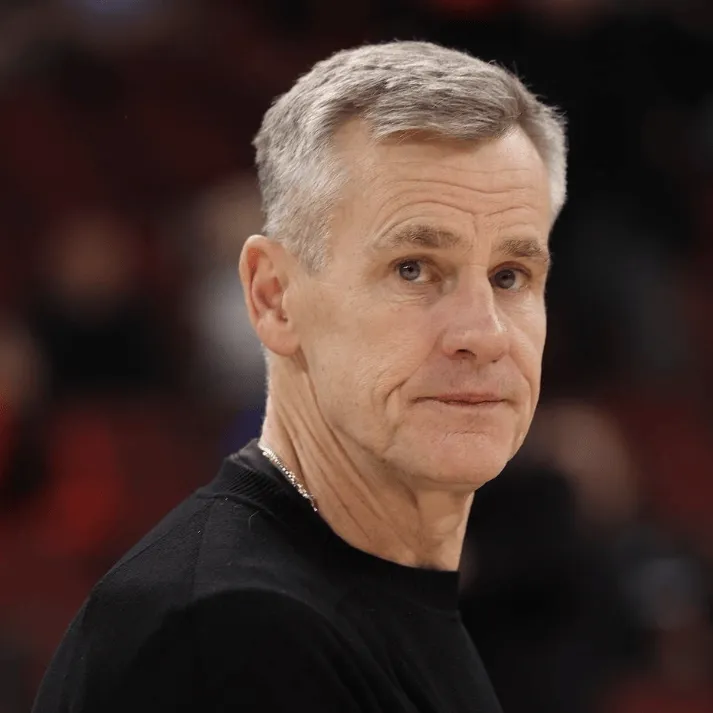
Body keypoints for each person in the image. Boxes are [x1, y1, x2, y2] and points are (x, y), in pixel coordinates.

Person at [32, 40, 567, 713]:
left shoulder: (372, 591)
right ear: (275, 298)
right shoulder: (232, 632)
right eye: (412, 268)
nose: (484, 334)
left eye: (510, 276)